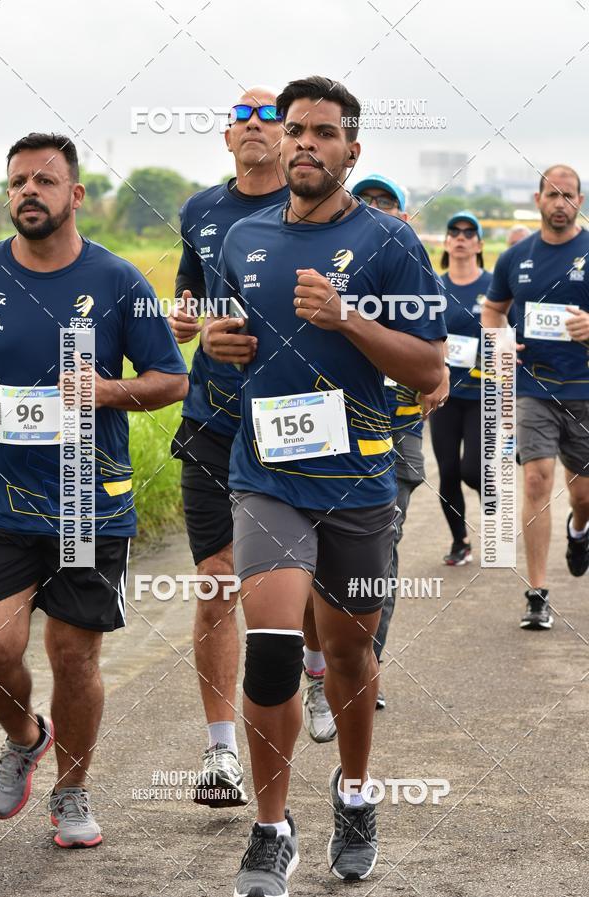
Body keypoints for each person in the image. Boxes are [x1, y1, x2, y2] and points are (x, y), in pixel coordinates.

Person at [203, 75, 446, 897]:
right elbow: (225, 340)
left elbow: (428, 366)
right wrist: (219, 346)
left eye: (322, 132)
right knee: (272, 655)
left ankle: (353, 794)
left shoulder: (391, 243)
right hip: (265, 474)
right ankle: (271, 829)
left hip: (360, 481)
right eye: (294, 129)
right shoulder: (244, 240)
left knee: (347, 650)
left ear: (352, 150)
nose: (304, 142)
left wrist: (348, 320)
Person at [0, 133, 187, 846]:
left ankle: (72, 790)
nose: (27, 193)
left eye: (44, 181)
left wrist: (107, 391)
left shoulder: (119, 281)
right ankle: (23, 734)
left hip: (86, 502)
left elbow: (171, 378)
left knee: (75, 656)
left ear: (76, 195)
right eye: (16, 182)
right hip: (0, 502)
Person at [169, 88, 334, 810]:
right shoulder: (201, 213)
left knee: (295, 588)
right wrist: (190, 320)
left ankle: (320, 669)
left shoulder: (313, 209)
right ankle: (220, 753)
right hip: (212, 419)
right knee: (216, 580)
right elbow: (192, 295)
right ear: (227, 137)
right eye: (245, 116)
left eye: (274, 117)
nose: (259, 126)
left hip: (292, 421)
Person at [351, 175, 449, 707]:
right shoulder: (332, 271)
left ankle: (367, 667)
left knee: (379, 559)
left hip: (397, 434)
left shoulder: (412, 265)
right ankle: (324, 661)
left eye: (386, 205)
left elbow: (438, 350)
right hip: (332, 440)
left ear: (404, 218)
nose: (374, 212)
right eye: (365, 202)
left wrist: (444, 372)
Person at [483, 164, 589, 629]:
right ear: (538, 198)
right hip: (534, 386)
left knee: (583, 495)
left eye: (569, 195)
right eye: (552, 194)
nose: (560, 202)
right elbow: (493, 310)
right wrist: (500, 341)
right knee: (536, 481)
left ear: (580, 202)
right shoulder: (515, 257)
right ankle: (537, 593)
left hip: (585, 388)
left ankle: (580, 529)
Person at [430, 212, 492, 564]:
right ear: (446, 242)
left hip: (484, 395)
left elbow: (511, 334)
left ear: (479, 244)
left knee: (472, 470)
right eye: (454, 231)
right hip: (446, 395)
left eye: (470, 233)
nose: (461, 237)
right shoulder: (434, 286)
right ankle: (460, 542)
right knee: (449, 471)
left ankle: (494, 503)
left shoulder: (494, 286)